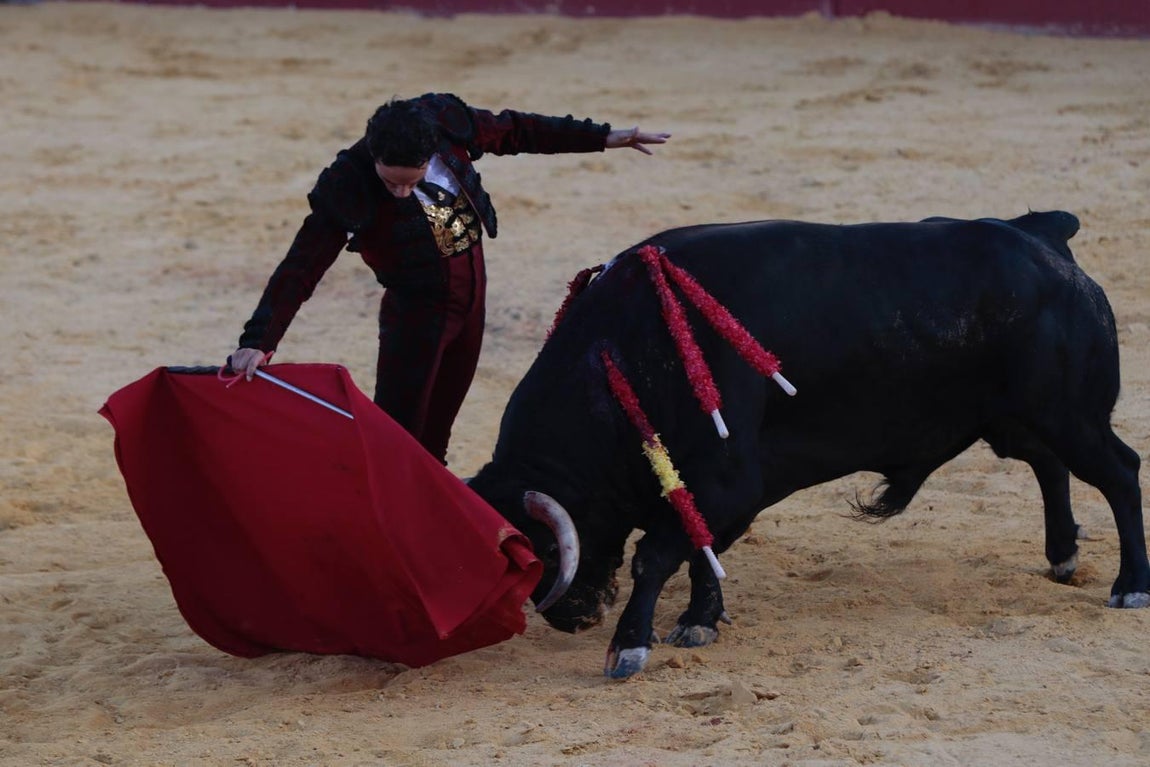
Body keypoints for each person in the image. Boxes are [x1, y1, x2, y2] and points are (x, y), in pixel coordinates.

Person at [229, 93, 669, 464]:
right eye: (390, 182)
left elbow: (517, 130)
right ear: (374, 156)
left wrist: (601, 137)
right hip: (416, 314)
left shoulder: (445, 122)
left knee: (437, 431)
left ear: (430, 154)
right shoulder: (349, 181)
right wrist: (260, 338)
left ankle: (429, 513)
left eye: (410, 181)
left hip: (473, 299)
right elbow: (302, 265)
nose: (400, 193)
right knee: (398, 435)